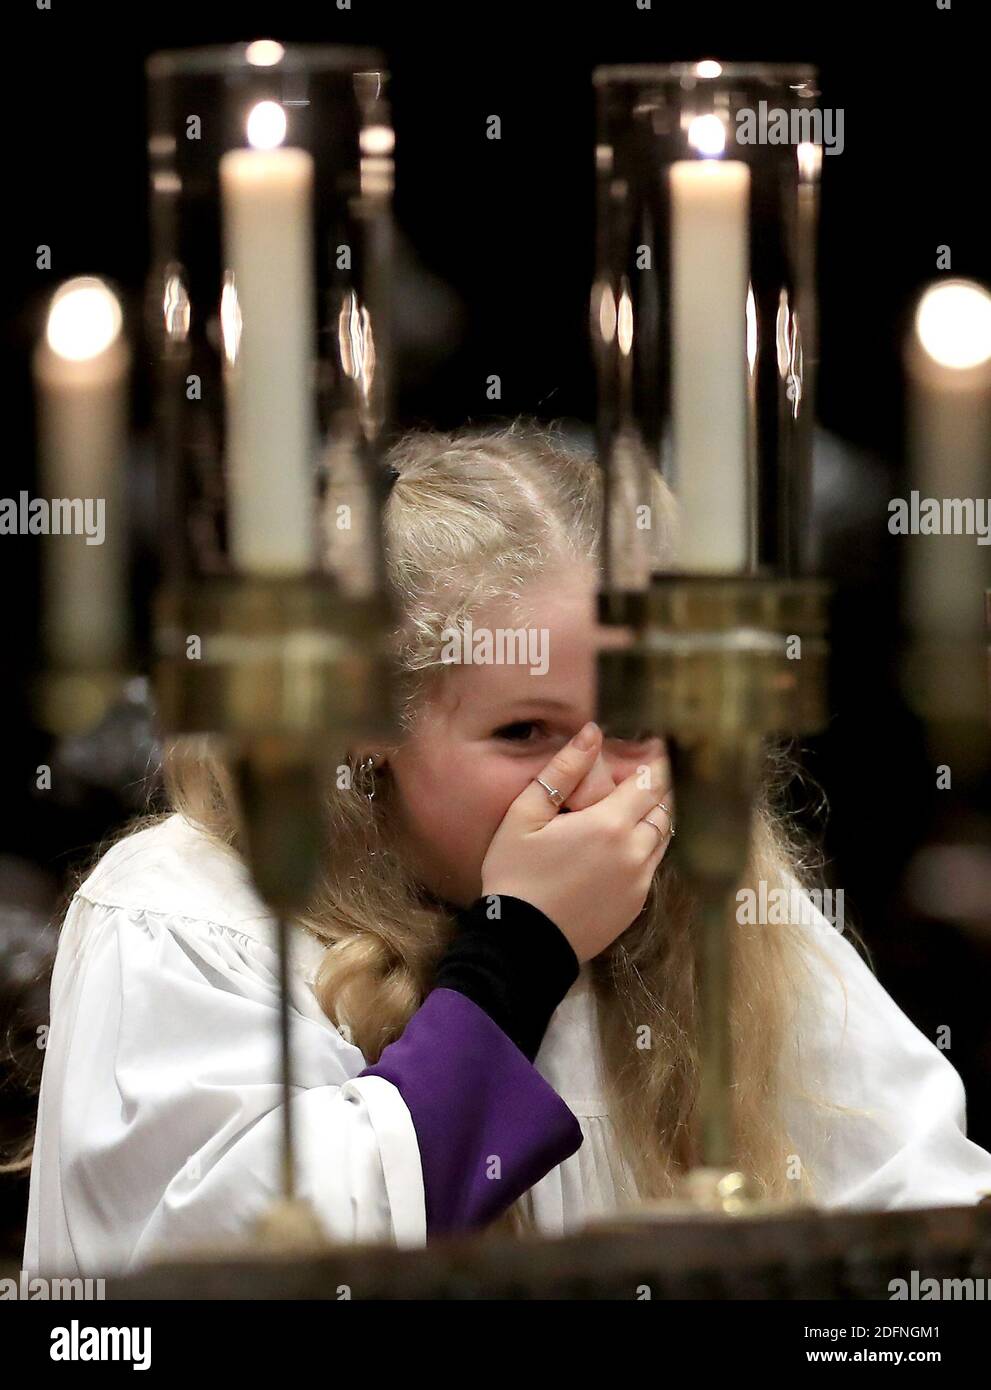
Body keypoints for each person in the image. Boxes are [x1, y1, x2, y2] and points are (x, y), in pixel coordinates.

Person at [17, 421, 991, 1278]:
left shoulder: (709, 892)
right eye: (526, 731)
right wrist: (516, 956)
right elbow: (263, 1268)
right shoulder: (182, 912)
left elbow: (923, 1214)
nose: (601, 785)